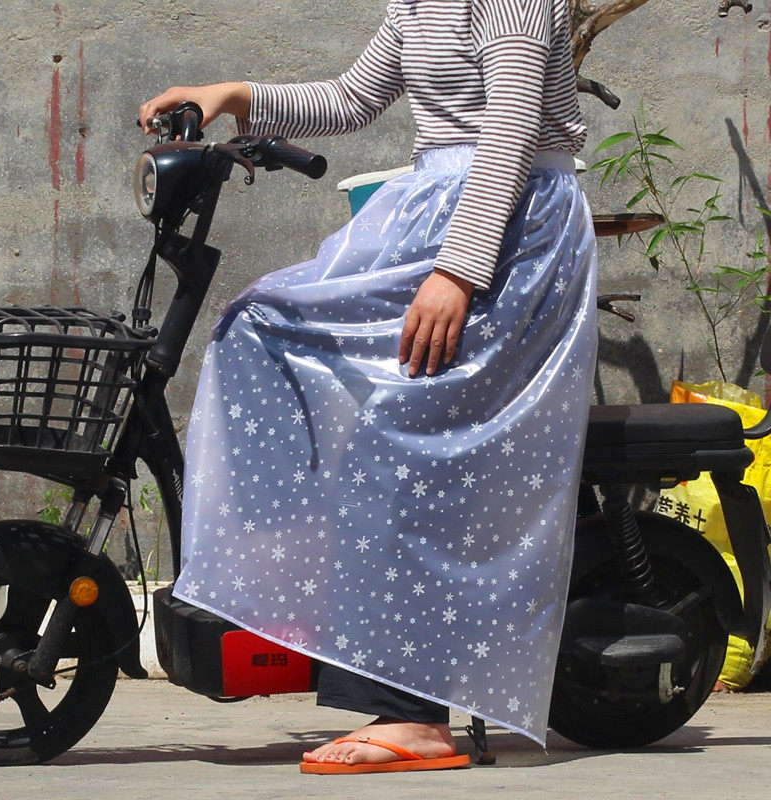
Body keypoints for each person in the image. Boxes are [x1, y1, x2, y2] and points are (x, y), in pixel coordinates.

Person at [139, 0, 597, 774]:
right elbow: (353, 97)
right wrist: (232, 95)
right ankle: (294, 573)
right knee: (257, 326)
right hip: (434, 213)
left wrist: (459, 270)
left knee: (398, 442)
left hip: (508, 232)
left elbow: (513, 126)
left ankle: (414, 719)